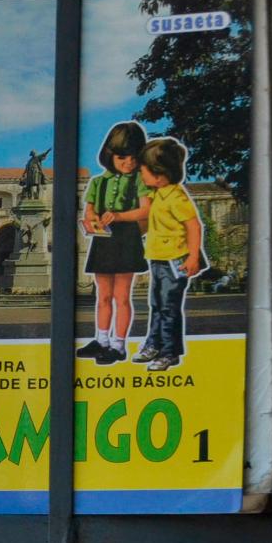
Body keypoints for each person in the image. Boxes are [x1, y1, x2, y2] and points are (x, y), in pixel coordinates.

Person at [105, 135, 202, 372]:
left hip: (174, 261)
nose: (140, 175)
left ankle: (169, 352)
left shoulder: (177, 197)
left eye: (144, 171)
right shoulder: (159, 195)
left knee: (168, 307)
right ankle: (154, 344)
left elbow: (194, 226)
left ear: (159, 174)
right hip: (158, 258)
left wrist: (193, 257)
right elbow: (150, 224)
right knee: (157, 304)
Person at [77, 120, 150, 366]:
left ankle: (118, 345)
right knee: (103, 296)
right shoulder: (98, 182)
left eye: (133, 158)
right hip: (104, 240)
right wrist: (91, 221)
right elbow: (89, 211)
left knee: (122, 296)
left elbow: (144, 211)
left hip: (127, 238)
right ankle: (102, 340)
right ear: (110, 155)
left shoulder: (140, 180)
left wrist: (118, 216)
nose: (128, 163)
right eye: (122, 158)